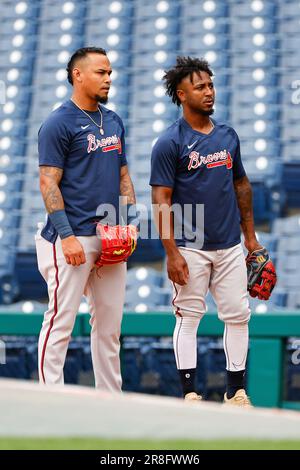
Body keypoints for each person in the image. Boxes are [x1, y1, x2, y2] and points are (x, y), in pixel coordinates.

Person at [150, 56, 263, 407]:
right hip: (190, 245)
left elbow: (241, 186)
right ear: (182, 94)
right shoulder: (169, 142)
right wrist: (170, 252)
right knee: (189, 317)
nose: (209, 91)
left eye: (210, 84)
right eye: (200, 87)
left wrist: (252, 239)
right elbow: (161, 199)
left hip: (229, 244)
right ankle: (189, 395)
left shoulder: (228, 135)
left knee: (238, 315)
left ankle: (236, 391)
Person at [36, 47, 136, 391]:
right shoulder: (58, 122)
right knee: (60, 322)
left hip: (110, 237)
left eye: (109, 72)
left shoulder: (114, 120)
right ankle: (51, 398)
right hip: (70, 238)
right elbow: (48, 180)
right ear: (78, 75)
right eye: (100, 72)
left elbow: (124, 176)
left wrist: (131, 222)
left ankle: (110, 402)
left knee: (110, 328)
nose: (108, 78)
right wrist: (66, 236)